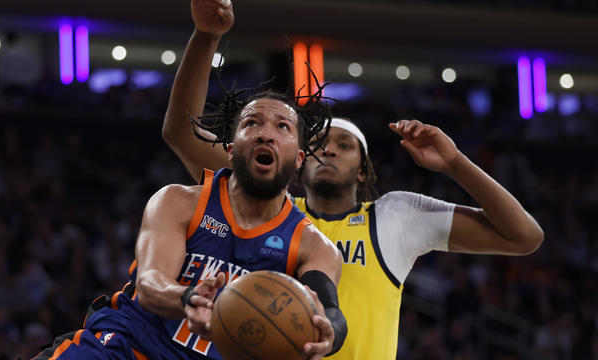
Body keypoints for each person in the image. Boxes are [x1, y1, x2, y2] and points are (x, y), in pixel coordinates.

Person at [161, 1, 545, 359]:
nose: (328, 150)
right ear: (298, 160)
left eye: (344, 145)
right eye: (320, 145)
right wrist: (206, 36)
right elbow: (182, 133)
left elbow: (523, 237)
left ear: (363, 169)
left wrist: (455, 163)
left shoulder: (395, 216)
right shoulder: (265, 204)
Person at [32, 9, 349, 360]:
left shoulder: (313, 245)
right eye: (252, 123)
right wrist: (187, 298)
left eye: (282, 127)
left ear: (300, 158)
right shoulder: (179, 200)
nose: (265, 134)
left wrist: (328, 333)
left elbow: (332, 312)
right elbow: (150, 283)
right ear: (230, 148)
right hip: (124, 348)